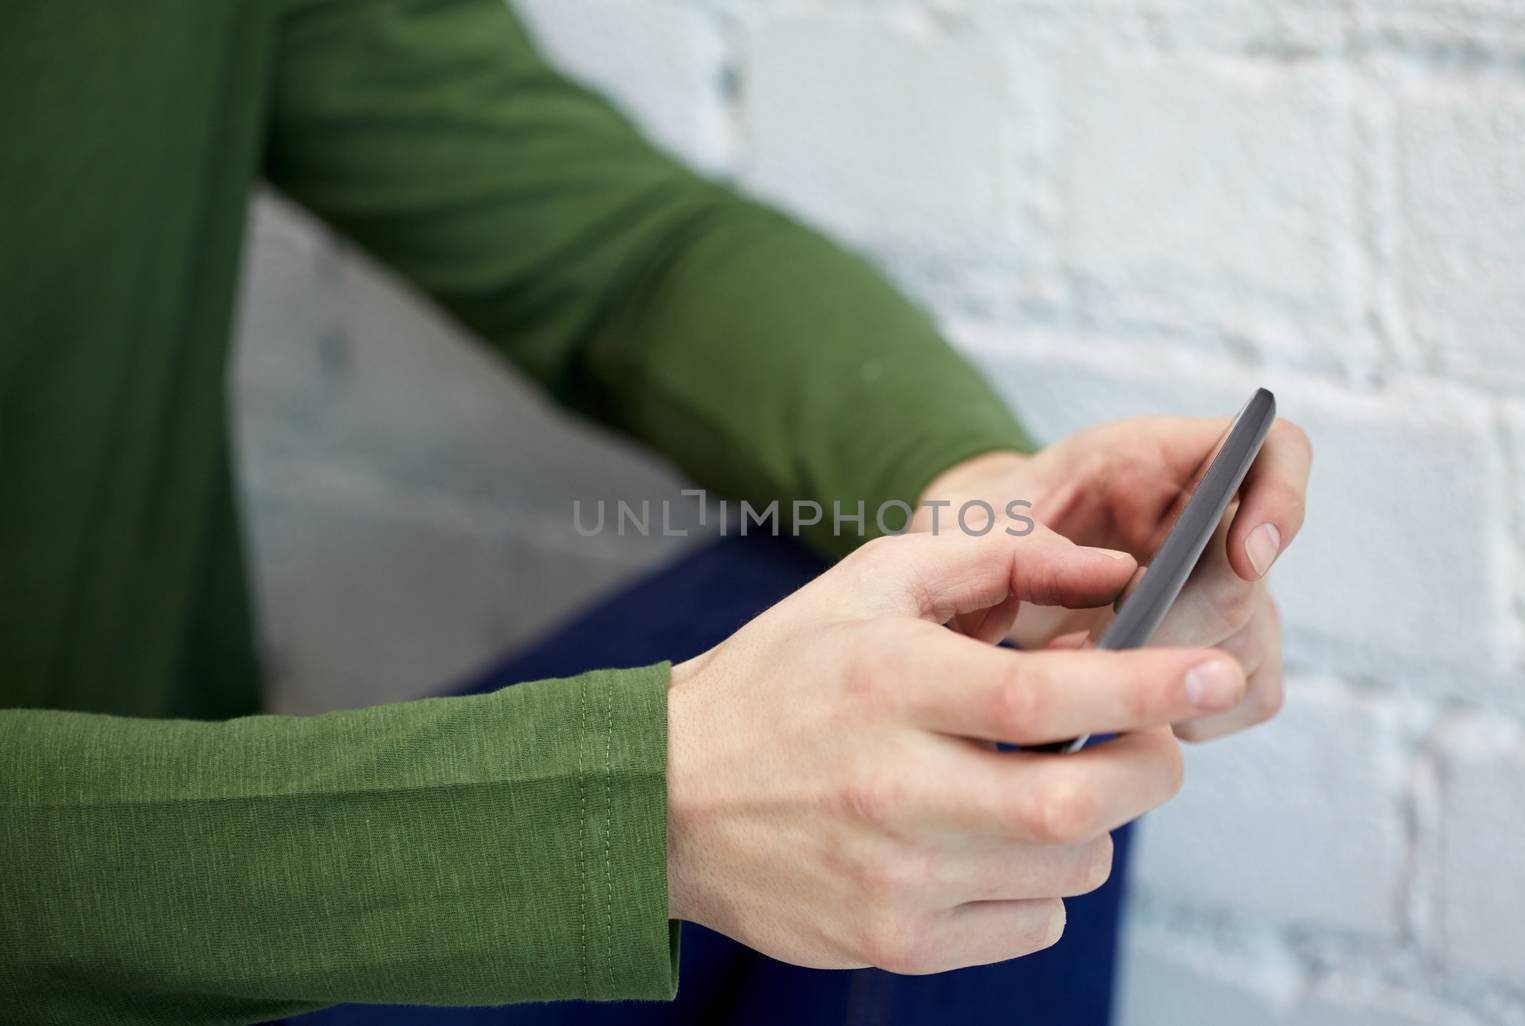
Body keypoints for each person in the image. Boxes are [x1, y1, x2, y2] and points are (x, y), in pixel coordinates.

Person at [0, 2, 1311, 1024]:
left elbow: (624, 249)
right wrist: (635, 810)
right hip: (98, 931)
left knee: (957, 660)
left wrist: (978, 504)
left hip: (235, 931)